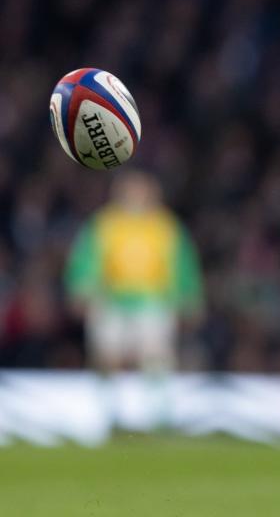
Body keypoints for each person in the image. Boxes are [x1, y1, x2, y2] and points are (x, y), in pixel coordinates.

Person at [65, 170, 203, 423]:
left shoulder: (165, 227)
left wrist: (189, 297)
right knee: (105, 357)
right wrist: (82, 288)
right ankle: (110, 412)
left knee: (156, 358)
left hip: (153, 302)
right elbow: (85, 261)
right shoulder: (105, 224)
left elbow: (183, 265)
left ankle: (158, 413)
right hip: (111, 301)